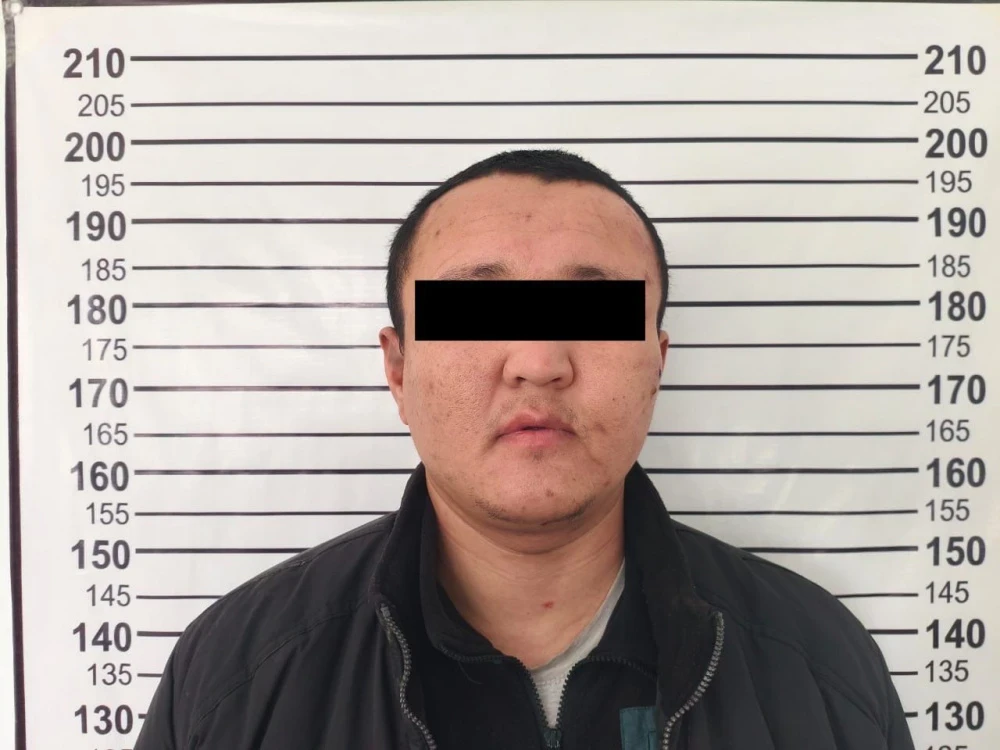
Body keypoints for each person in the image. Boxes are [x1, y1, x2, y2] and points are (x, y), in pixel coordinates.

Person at [134, 149, 915, 750]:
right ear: (398, 370)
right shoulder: (237, 679)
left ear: (657, 364)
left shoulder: (820, 666)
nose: (539, 361)